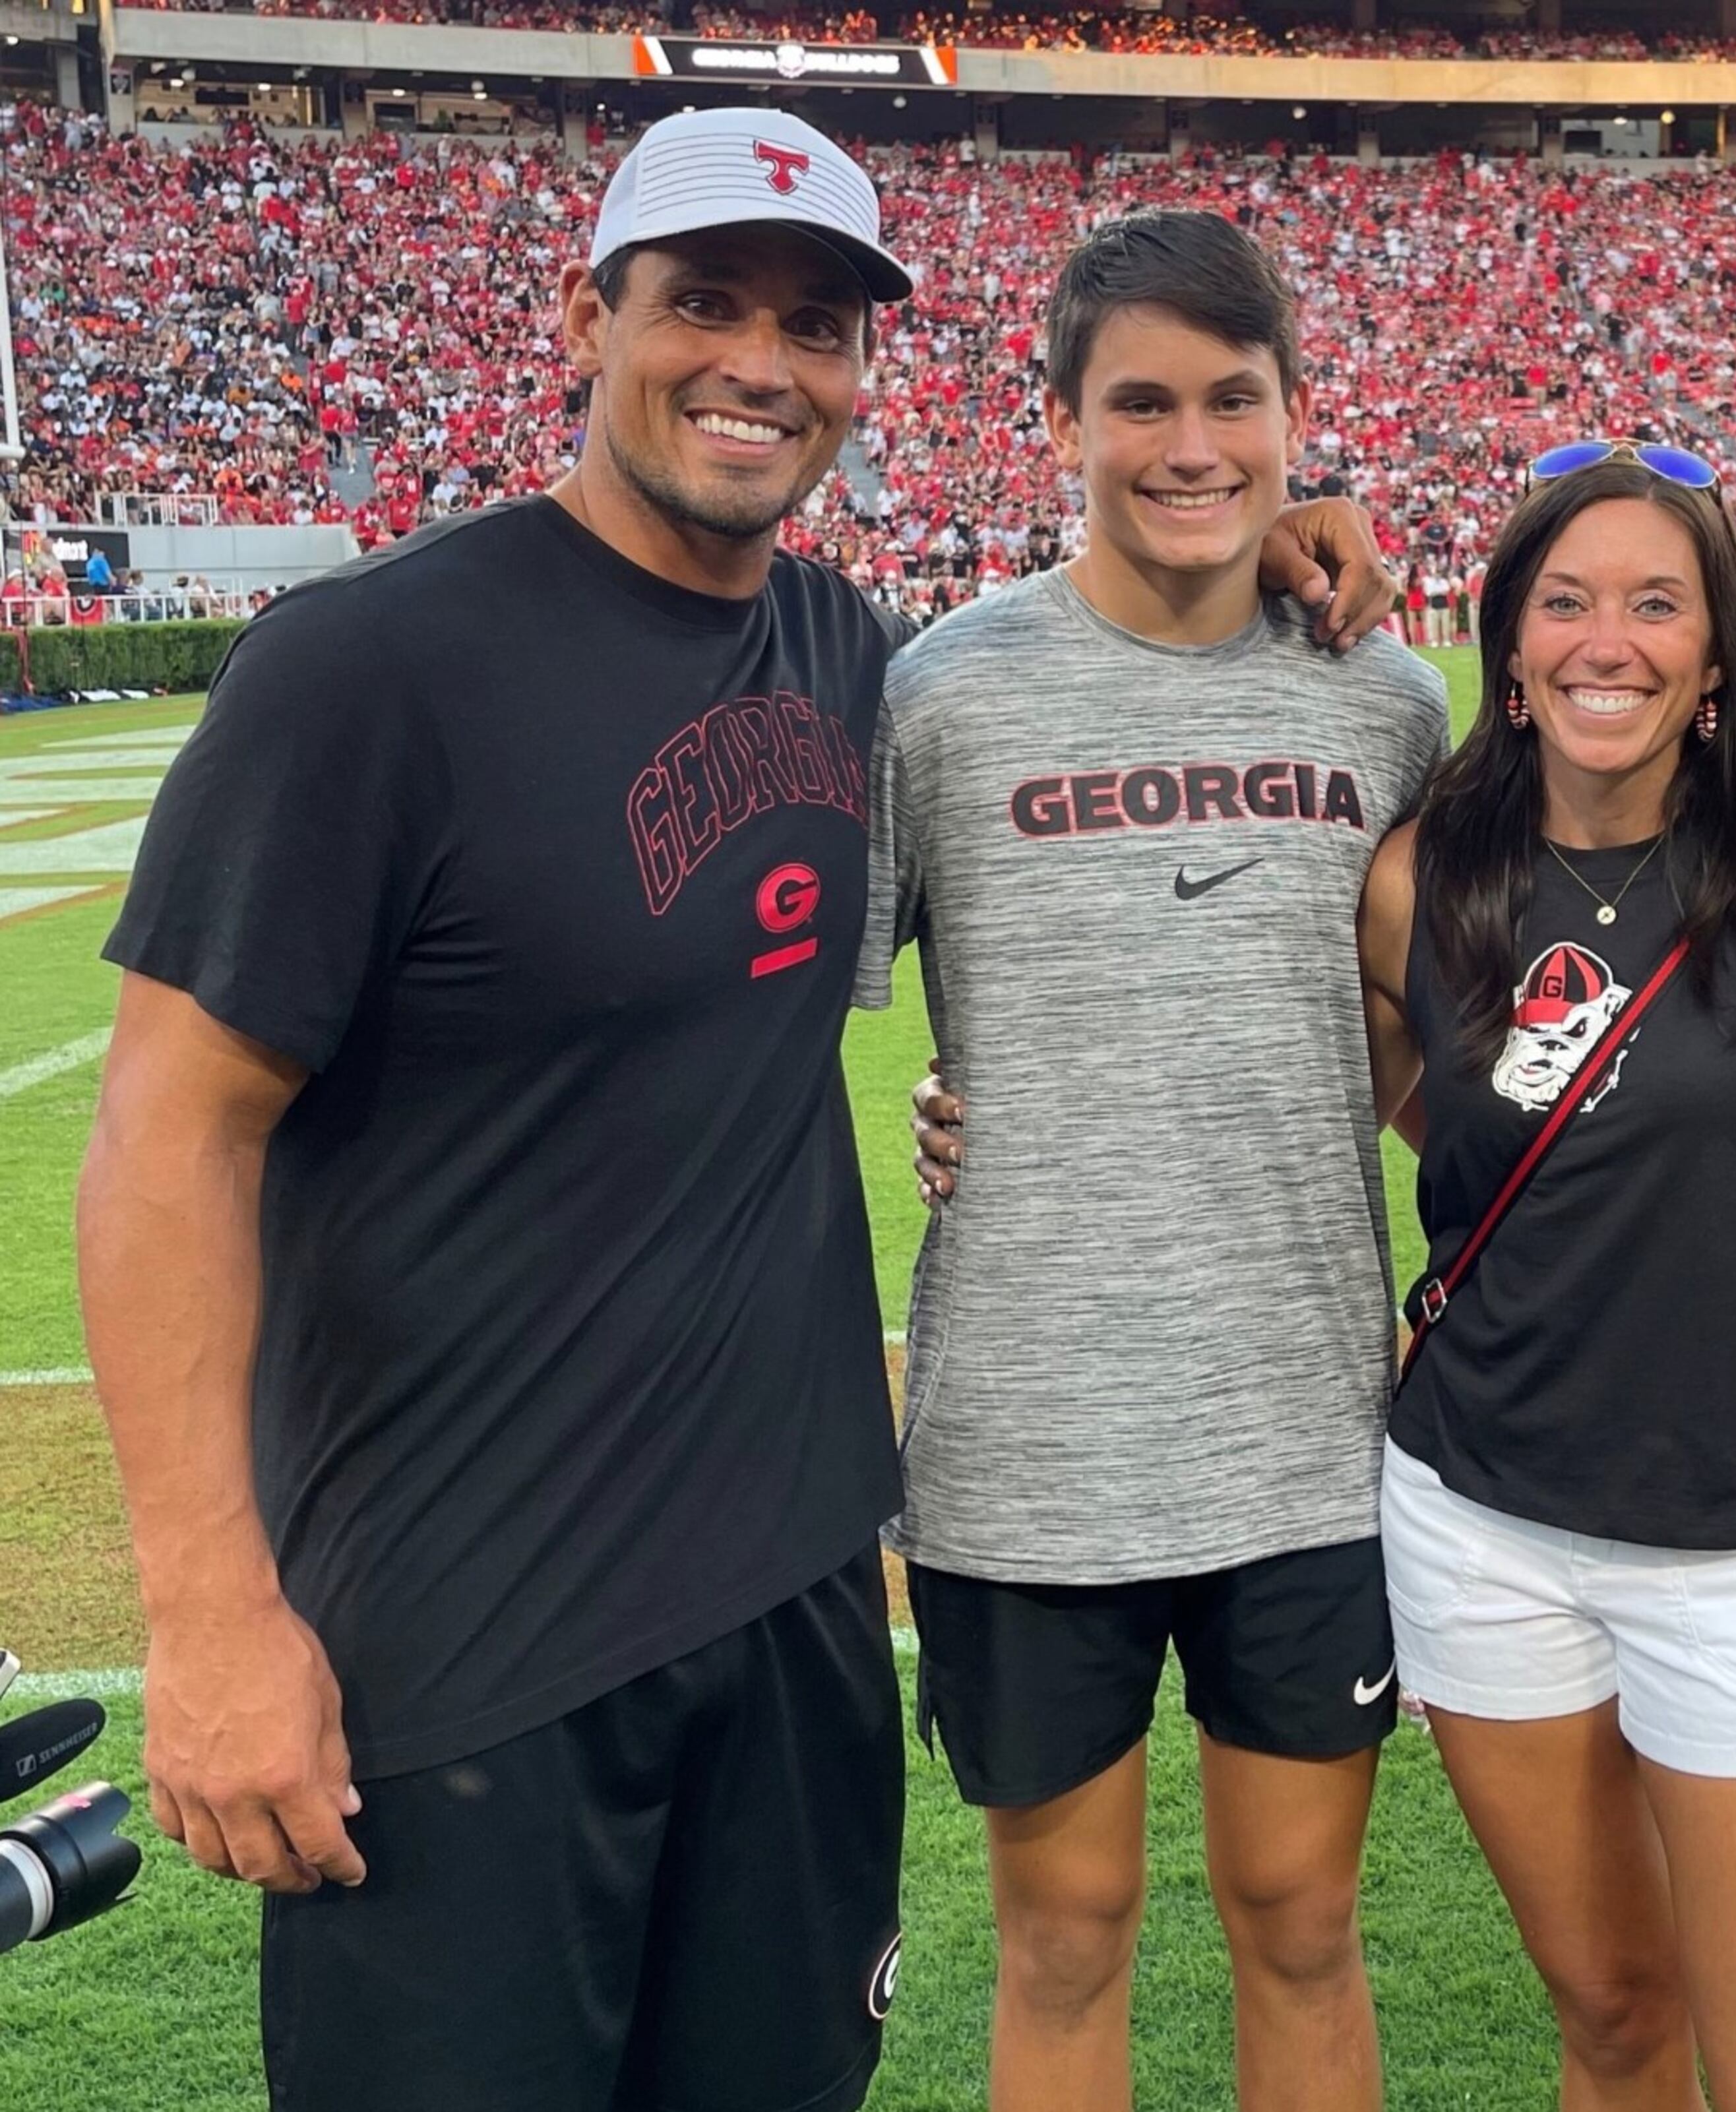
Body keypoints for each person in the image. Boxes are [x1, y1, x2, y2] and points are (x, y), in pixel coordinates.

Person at [75, 113, 1394, 2112]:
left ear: (866, 371)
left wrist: (1279, 524)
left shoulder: (853, 658)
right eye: (701, 304)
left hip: (789, 1601)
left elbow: (1104, 741)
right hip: (464, 1630)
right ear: (586, 318)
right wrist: (208, 1609)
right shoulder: (366, 664)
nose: (758, 363)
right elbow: (169, 1134)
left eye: (813, 322)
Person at [868, 211, 1448, 2112]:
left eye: (1233, 399)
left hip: (1303, 1422)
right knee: (1064, 1936)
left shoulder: (1390, 703)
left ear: (1298, 421)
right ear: (1056, 422)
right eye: (1140, 402)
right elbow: (778, 1015)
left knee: (1301, 1918)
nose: (1189, 444)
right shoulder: (940, 695)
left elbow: (1452, 1023)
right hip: (1026, 1441)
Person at [1355, 441, 1736, 2110]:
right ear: (1505, 644)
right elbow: (1370, 1118)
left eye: (1656, 602)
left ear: (1717, 653)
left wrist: (1697, 1233)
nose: (1609, 638)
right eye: (1565, 600)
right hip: (1478, 1517)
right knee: (1607, 2014)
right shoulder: (1412, 878)